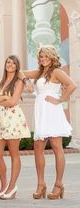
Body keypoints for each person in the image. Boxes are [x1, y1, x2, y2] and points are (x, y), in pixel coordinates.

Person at [21, 45, 77, 199]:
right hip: (40, 111)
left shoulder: (57, 72)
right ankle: (41, 184)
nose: (43, 59)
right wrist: (27, 82)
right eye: (41, 56)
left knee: (56, 147)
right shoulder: (39, 72)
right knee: (38, 147)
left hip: (52, 111)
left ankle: (59, 184)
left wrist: (60, 99)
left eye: (46, 56)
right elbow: (20, 72)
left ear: (52, 57)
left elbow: (72, 85)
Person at [0, 55, 30, 200]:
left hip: (13, 119)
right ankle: (4, 185)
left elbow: (13, 102)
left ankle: (12, 186)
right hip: (0, 119)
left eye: (13, 63)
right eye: (8, 62)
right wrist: (3, 99)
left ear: (17, 66)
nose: (10, 64)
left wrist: (0, 100)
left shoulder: (19, 82)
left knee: (14, 153)